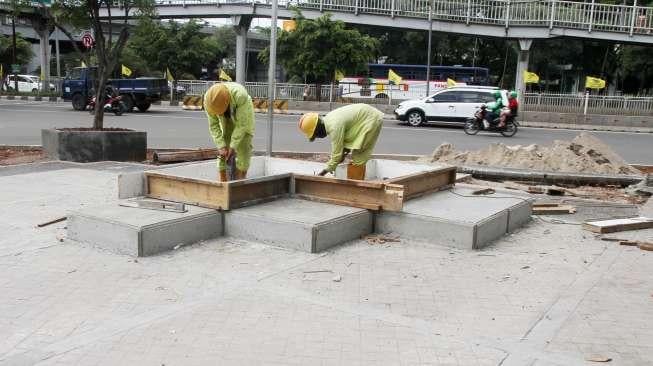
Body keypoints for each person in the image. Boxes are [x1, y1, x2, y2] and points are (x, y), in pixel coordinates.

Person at [298, 104, 384, 180]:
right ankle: (354, 183)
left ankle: (355, 188)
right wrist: (343, 153)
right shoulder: (329, 119)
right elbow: (344, 143)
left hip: (369, 119)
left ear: (318, 128)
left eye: (315, 135)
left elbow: (336, 154)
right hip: (365, 117)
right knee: (356, 157)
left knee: (359, 157)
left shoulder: (334, 127)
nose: (318, 137)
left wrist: (325, 171)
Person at [204, 82, 255, 181]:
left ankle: (241, 180)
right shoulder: (208, 101)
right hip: (226, 119)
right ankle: (222, 181)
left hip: (243, 115)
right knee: (223, 152)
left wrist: (233, 146)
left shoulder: (240, 95)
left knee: (244, 146)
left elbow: (241, 125)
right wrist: (221, 146)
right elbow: (214, 125)